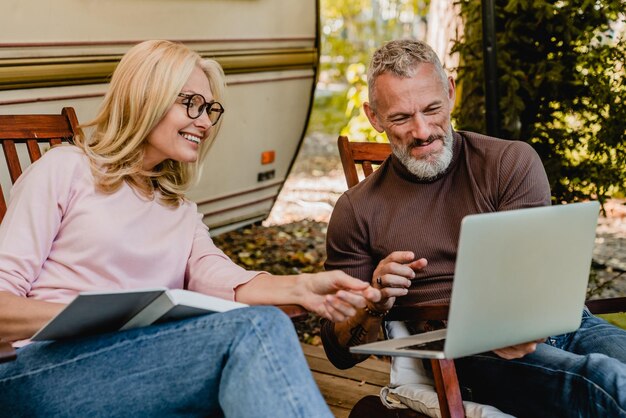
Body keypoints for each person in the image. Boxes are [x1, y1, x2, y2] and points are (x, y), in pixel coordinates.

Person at [0, 40, 381, 418]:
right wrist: (93, 317)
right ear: (146, 98)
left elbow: (224, 279)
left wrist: (304, 285)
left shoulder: (178, 210)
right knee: (253, 332)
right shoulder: (65, 170)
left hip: (132, 369)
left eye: (210, 109)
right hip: (39, 373)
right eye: (191, 103)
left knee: (257, 340)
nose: (204, 121)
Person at [321, 39, 626, 417]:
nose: (422, 131)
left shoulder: (508, 162)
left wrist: (522, 320)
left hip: (563, 321)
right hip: (464, 347)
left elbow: (533, 277)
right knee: (608, 381)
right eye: (401, 118)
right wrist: (372, 303)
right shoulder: (356, 210)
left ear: (450, 93)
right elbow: (337, 351)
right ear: (374, 117)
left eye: (432, 109)